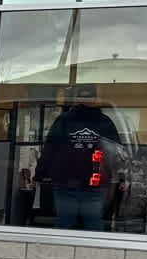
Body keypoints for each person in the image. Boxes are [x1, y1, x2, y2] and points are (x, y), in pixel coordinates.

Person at [36, 86, 121, 231]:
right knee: (93, 223)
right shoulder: (105, 122)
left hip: (65, 182)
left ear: (76, 100)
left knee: (64, 223)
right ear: (95, 100)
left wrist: (40, 174)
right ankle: (93, 253)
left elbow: (50, 149)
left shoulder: (63, 121)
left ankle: (59, 252)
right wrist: (121, 177)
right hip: (95, 183)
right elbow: (116, 153)